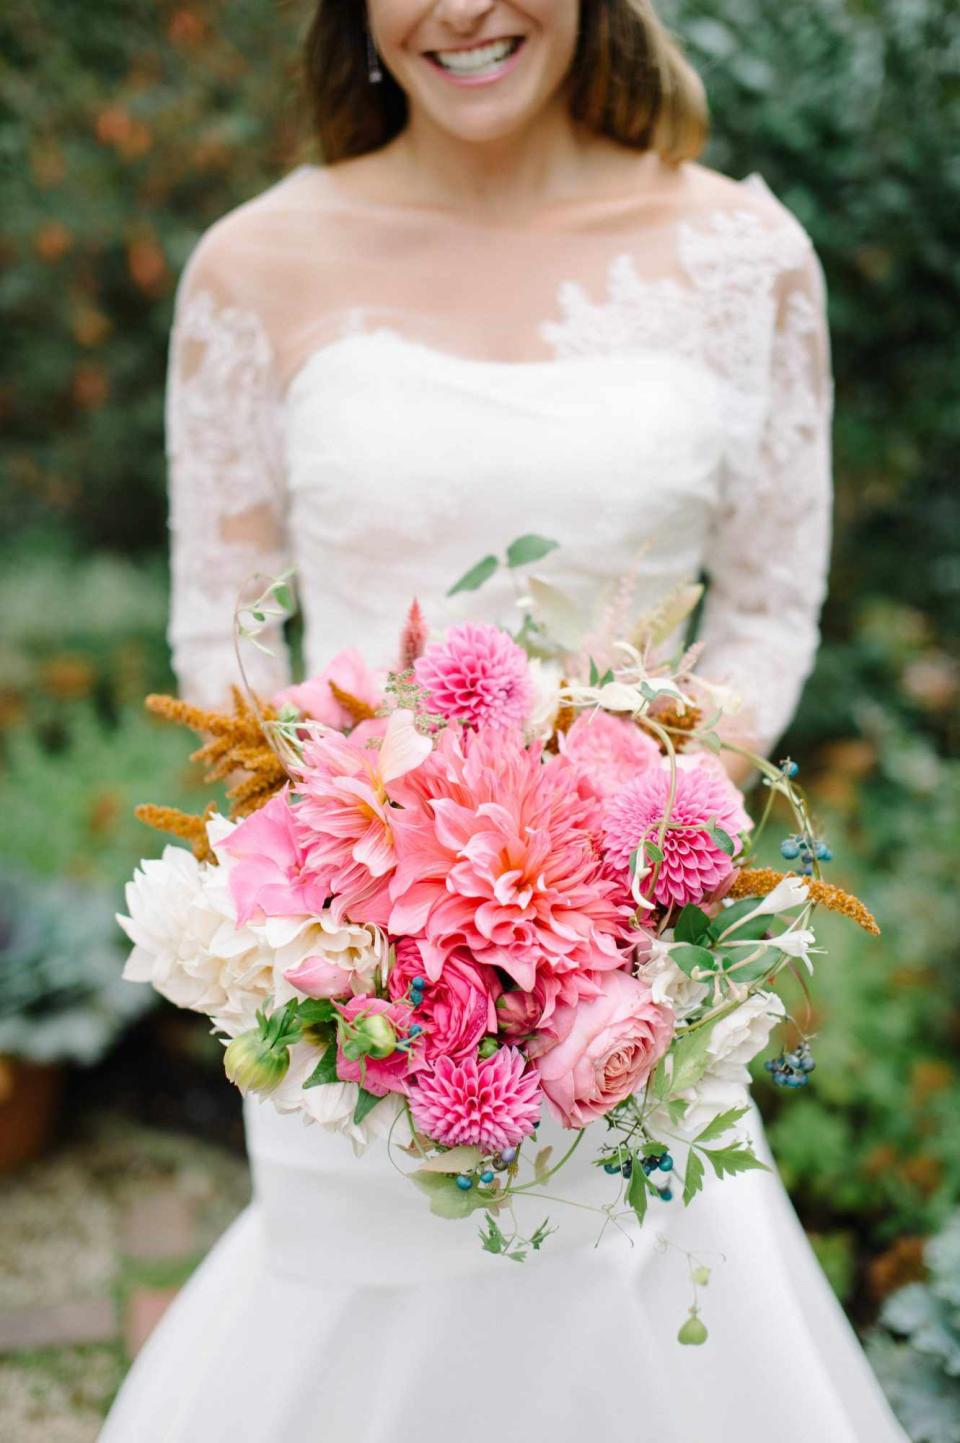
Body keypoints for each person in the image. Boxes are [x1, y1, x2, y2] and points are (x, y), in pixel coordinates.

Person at [100, 3, 909, 1439]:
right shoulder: (255, 263)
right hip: (360, 961)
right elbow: (224, 631)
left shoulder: (744, 257)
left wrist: (630, 870)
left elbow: (772, 609)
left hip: (627, 971)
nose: (463, 10)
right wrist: (356, 899)